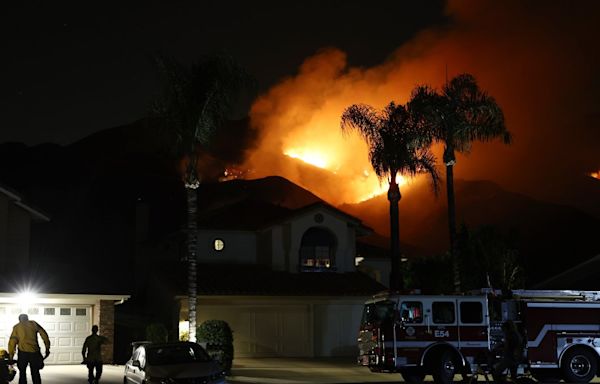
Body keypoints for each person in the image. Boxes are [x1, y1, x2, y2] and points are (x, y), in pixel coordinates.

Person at [8, 314, 50, 384]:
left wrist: (11, 356)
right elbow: (44, 335)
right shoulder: (34, 324)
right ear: (27, 318)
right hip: (34, 352)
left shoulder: (17, 327)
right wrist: (47, 348)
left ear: (19, 319)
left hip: (23, 353)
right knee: (35, 373)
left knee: (22, 373)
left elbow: (12, 342)